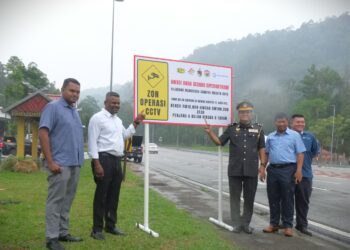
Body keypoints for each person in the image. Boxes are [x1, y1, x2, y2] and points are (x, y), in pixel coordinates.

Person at [88, 91, 145, 240]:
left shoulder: (118, 120)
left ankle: (111, 225)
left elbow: (124, 135)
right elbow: (92, 142)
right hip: (103, 159)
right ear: (105, 102)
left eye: (118, 103)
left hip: (116, 161)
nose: (116, 105)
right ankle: (97, 229)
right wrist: (97, 163)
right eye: (113, 102)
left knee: (114, 195)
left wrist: (136, 122)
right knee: (102, 195)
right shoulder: (97, 119)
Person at [205, 101, 267, 234]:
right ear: (238, 114)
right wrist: (210, 132)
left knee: (249, 198)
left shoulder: (259, 129)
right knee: (235, 197)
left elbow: (262, 148)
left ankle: (246, 224)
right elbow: (219, 142)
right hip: (235, 169)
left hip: (251, 170)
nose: (245, 114)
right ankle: (236, 224)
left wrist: (263, 166)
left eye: (248, 112)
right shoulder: (232, 128)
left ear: (251, 113)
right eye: (242, 112)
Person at [39, 78, 84, 250]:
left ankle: (63, 233)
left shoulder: (74, 110)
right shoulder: (53, 108)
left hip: (75, 163)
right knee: (55, 201)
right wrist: (50, 161)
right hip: (59, 164)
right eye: (72, 91)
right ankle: (51, 238)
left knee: (67, 200)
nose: (75, 94)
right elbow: (43, 133)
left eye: (78, 92)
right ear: (62, 90)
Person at [262, 112, 305, 237]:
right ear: (275, 123)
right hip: (273, 170)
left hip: (288, 169)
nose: (281, 124)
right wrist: (262, 168)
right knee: (273, 198)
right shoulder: (270, 137)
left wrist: (299, 170)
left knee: (287, 198)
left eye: (284, 122)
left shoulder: (294, 135)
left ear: (287, 122)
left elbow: (300, 153)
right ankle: (273, 224)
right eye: (279, 122)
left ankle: (287, 226)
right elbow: (267, 153)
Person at [291, 114, 320, 236]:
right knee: (286, 200)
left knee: (303, 201)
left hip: (306, 175)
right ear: (291, 123)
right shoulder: (286, 135)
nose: (300, 124)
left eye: (302, 122)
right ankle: (285, 223)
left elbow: (314, 152)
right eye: (297, 122)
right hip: (288, 174)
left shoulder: (310, 136)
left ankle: (301, 225)